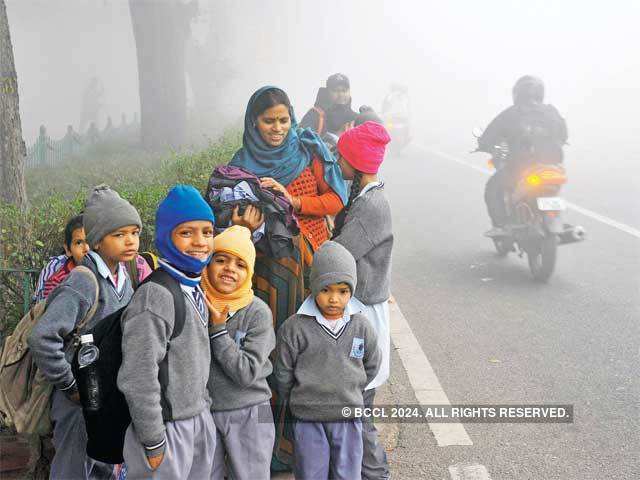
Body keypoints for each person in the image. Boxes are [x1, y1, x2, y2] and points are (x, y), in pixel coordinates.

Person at [227, 85, 348, 468]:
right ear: (253, 122)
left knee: (309, 356)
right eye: (268, 121)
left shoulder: (309, 151)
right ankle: (272, 449)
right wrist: (242, 221)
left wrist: (293, 200)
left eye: (283, 120)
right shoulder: (239, 164)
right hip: (262, 276)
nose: (277, 129)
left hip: (311, 270)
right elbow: (223, 219)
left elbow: (335, 199)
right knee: (270, 353)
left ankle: (312, 446)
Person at [28, 185, 142, 480]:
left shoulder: (124, 276)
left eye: (134, 232)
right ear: (96, 241)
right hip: (77, 404)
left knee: (104, 467)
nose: (130, 241)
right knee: (72, 469)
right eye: (119, 235)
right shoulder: (84, 281)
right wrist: (71, 387)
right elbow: (42, 337)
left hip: (105, 400)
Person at [118, 185, 217, 480]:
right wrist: (153, 439)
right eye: (186, 233)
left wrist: (204, 413)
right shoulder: (156, 295)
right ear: (166, 237)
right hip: (167, 430)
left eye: (207, 232)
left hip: (196, 419)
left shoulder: (192, 286)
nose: (200, 242)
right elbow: (138, 374)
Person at [275, 241, 381, 480]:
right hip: (308, 419)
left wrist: (351, 387)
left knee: (347, 474)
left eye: (343, 291)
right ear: (314, 287)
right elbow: (283, 372)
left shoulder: (361, 325)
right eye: (326, 290)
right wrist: (299, 400)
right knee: (311, 474)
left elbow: (372, 363)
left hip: (348, 417)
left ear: (350, 292)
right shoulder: (295, 328)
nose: (334, 299)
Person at [333, 121, 394, 479]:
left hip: (363, 315)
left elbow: (339, 255)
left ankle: (376, 473)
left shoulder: (372, 206)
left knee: (358, 407)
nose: (337, 162)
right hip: (362, 310)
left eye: (341, 156)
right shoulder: (365, 198)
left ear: (354, 161)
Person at [202, 225, 276, 480]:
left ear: (250, 272)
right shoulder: (196, 303)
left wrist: (219, 331)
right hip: (207, 410)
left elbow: (245, 373)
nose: (230, 269)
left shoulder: (258, 312)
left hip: (253, 409)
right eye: (220, 260)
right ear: (207, 264)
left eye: (240, 264)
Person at [477, 75, 568, 236]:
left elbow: (489, 136)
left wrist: (484, 145)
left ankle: (500, 226)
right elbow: (564, 134)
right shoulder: (551, 112)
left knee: (493, 187)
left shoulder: (512, 113)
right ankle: (556, 219)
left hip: (521, 166)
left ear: (517, 93)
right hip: (552, 165)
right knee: (554, 189)